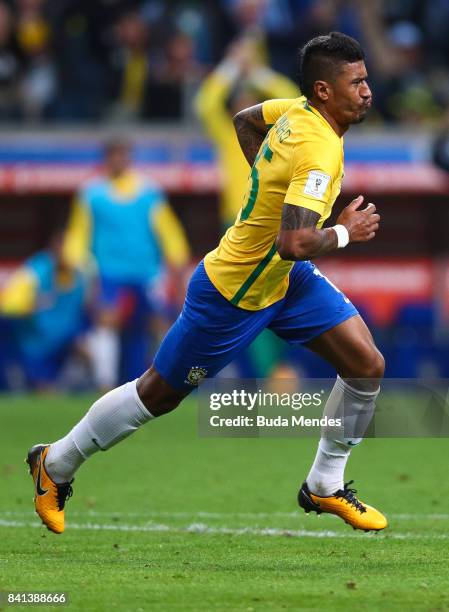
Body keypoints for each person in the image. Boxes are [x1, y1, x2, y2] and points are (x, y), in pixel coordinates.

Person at [27, 32, 386, 535]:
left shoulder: (296, 109)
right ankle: (56, 462)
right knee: (158, 394)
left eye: (366, 79)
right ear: (325, 91)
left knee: (366, 364)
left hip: (285, 282)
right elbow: (293, 243)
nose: (368, 90)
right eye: (357, 82)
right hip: (234, 290)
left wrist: (265, 177)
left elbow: (245, 120)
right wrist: (348, 230)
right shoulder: (319, 151)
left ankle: (324, 484)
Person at [63, 138, 190, 390]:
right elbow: (78, 233)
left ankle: (162, 382)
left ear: (130, 157)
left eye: (123, 154)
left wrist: (177, 258)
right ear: (106, 158)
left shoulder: (148, 191)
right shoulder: (92, 193)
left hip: (147, 273)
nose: (119, 160)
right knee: (107, 323)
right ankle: (105, 383)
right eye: (114, 155)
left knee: (157, 324)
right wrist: (78, 263)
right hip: (109, 273)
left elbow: (168, 231)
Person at [0, 234, 87, 390]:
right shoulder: (34, 272)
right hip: (34, 345)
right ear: (54, 249)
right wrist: (28, 305)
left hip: (65, 345)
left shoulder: (80, 274)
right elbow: (9, 306)